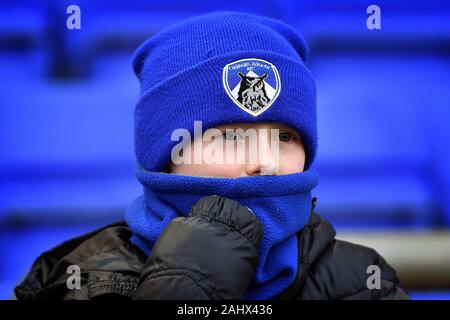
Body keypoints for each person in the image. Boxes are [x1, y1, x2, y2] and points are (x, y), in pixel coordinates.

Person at [14, 11, 410, 300]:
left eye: (285, 136)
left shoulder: (363, 279)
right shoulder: (83, 281)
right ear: (165, 154)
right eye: (231, 136)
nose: (267, 162)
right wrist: (184, 286)